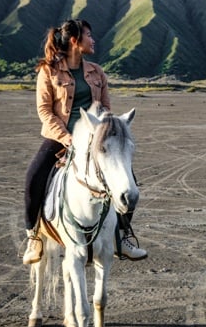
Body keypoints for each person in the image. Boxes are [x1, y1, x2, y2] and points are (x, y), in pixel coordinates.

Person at [22, 18, 147, 265]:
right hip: (60, 137)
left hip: (94, 140)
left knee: (127, 182)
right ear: (74, 41)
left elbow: (107, 110)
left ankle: (122, 238)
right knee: (33, 178)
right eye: (89, 35)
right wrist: (67, 137)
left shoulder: (97, 72)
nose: (93, 40)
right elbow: (45, 111)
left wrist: (106, 133)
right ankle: (34, 237)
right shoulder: (48, 71)